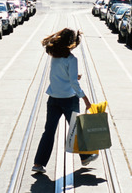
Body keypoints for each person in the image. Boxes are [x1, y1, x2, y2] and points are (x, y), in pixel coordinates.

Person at [31, 28, 98, 174]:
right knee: (76, 128)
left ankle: (38, 163)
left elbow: (59, 76)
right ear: (71, 43)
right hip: (69, 99)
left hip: (53, 98)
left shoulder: (54, 57)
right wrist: (85, 99)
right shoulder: (72, 59)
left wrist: (73, 77)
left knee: (49, 131)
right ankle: (85, 157)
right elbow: (73, 83)